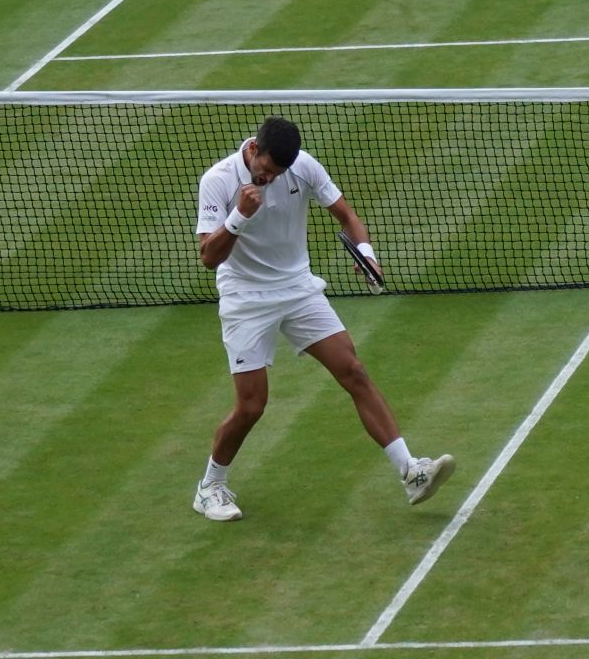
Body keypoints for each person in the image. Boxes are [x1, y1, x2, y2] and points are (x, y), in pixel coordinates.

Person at [193, 115, 455, 521]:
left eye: (278, 174)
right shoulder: (218, 180)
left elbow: (347, 216)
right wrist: (239, 216)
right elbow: (209, 257)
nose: (269, 179)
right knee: (251, 406)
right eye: (264, 171)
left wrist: (366, 253)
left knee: (353, 371)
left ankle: (411, 471)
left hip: (298, 288)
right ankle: (210, 486)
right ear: (254, 149)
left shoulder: (304, 168)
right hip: (246, 297)